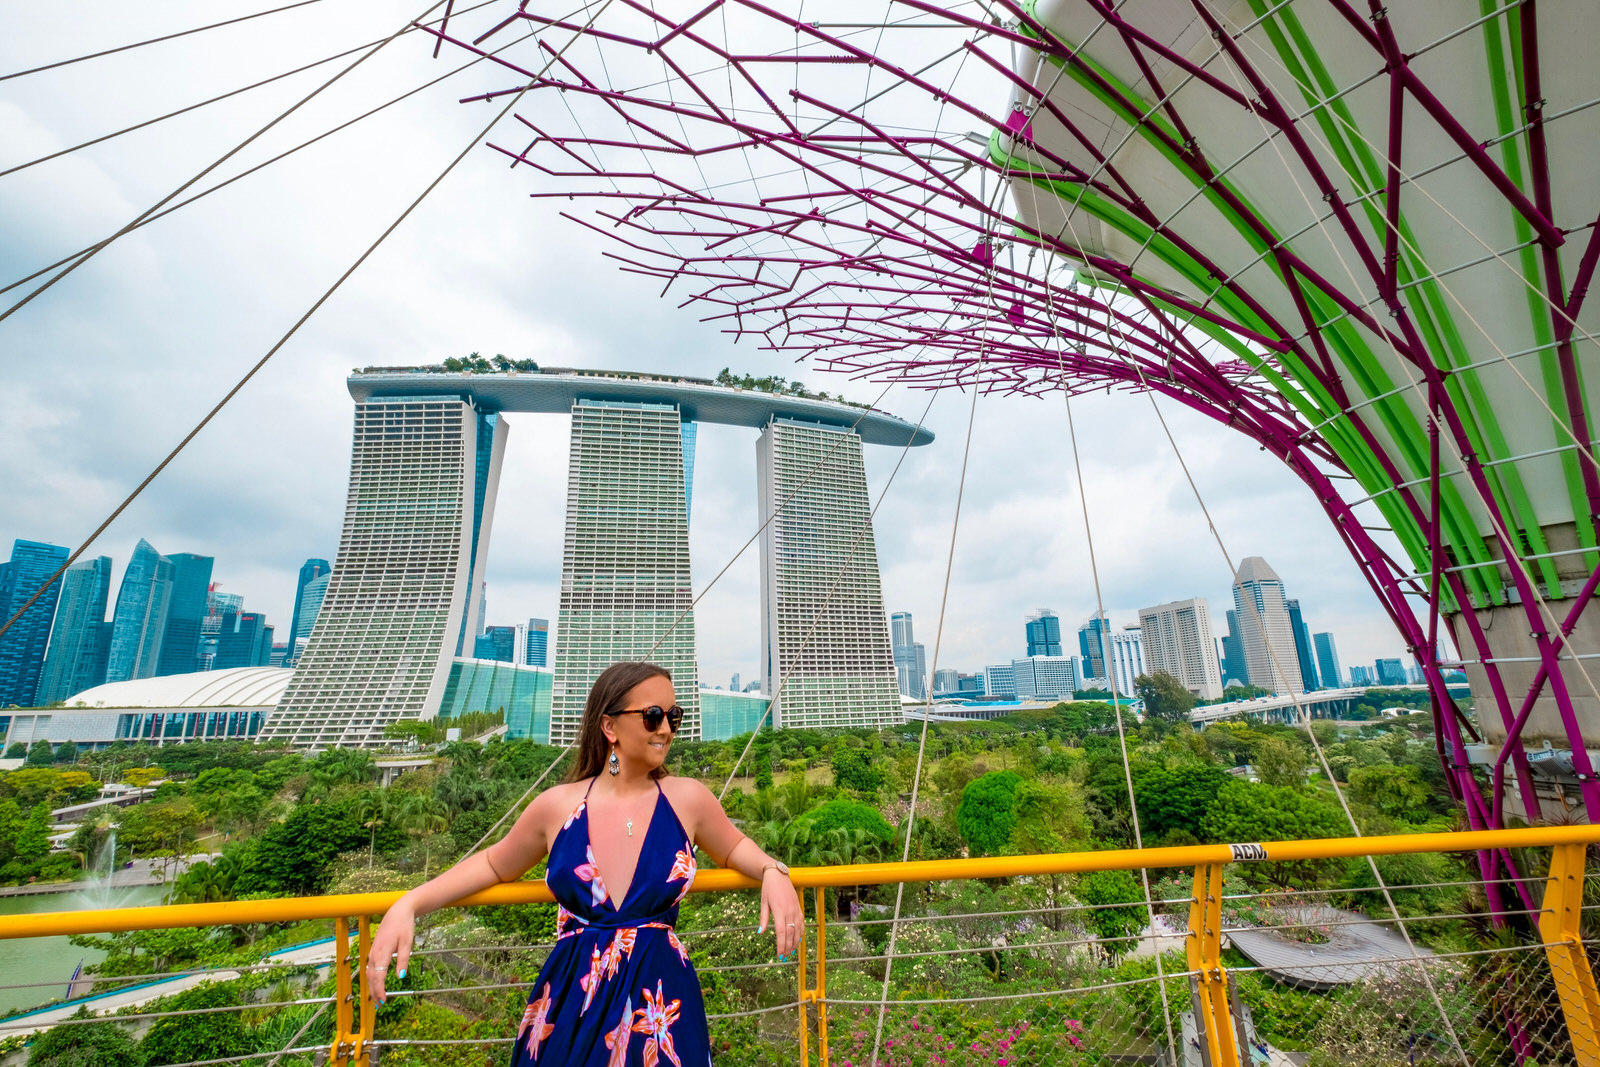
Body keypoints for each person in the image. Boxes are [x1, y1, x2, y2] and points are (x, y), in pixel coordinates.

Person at [367, 661, 804, 1065]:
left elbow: (734, 847)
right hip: (572, 1000)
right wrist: (409, 904)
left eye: (675, 716)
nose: (667, 729)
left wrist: (773, 870)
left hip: (660, 1006)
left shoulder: (687, 799)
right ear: (609, 726)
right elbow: (495, 865)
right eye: (654, 716)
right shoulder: (557, 806)